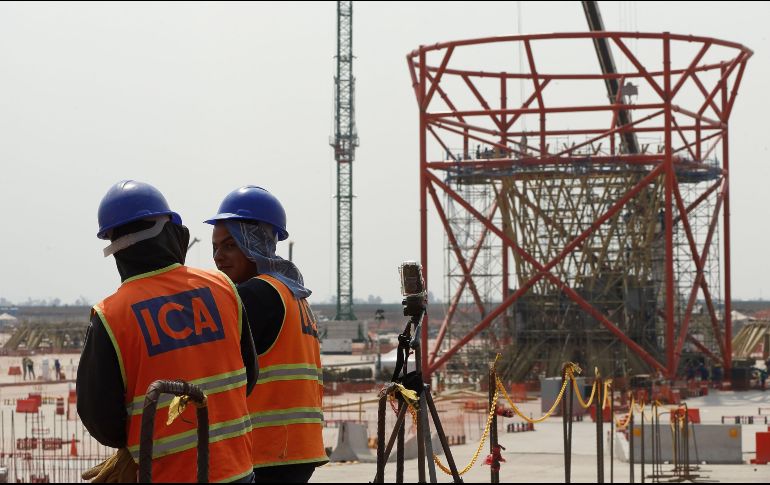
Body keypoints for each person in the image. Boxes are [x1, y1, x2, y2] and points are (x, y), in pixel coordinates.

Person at [77, 180, 258, 483]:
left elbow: (101, 420)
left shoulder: (110, 315)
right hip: (237, 470)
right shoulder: (223, 288)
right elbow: (249, 377)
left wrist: (138, 440)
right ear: (172, 231)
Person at [206, 186, 326, 483]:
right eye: (215, 247)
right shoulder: (292, 293)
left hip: (267, 450)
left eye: (230, 245)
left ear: (254, 244)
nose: (219, 257)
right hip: (298, 448)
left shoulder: (257, 293)